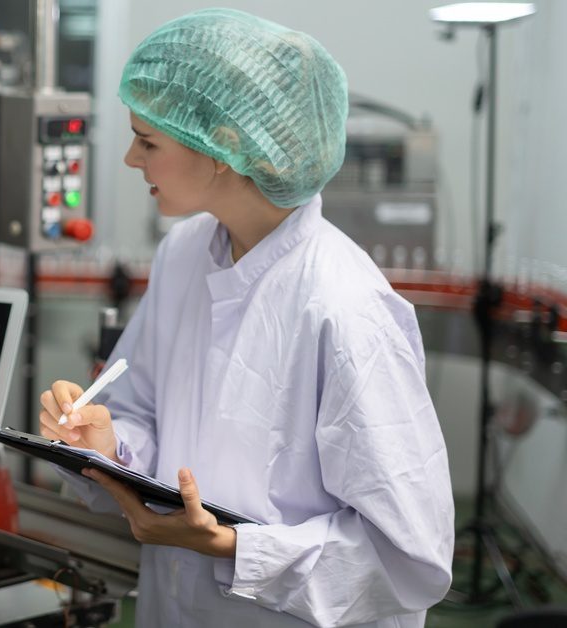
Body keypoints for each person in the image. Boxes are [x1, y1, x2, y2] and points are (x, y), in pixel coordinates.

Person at [38, 9, 454, 627]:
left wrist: (237, 549)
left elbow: (410, 557)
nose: (131, 159)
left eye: (148, 141)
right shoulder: (184, 255)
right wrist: (110, 444)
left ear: (226, 147)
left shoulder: (344, 308)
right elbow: (147, 414)